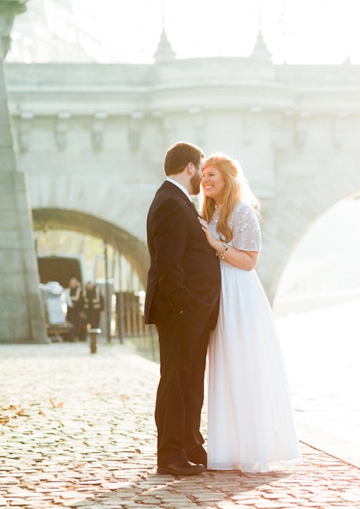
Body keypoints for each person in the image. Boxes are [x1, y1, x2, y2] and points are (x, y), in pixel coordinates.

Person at [198, 153, 302, 472]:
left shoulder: (243, 212)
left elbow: (249, 261)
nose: (205, 180)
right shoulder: (211, 211)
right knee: (225, 367)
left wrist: (216, 245)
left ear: (228, 178)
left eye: (212, 174)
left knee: (244, 365)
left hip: (240, 293)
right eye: (203, 175)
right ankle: (228, 448)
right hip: (221, 293)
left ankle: (254, 448)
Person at [145, 142, 221, 477]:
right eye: (200, 168)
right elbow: (169, 264)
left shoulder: (176, 201)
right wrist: (184, 306)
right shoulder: (172, 203)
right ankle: (171, 455)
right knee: (176, 382)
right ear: (189, 167)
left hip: (188, 312)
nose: (201, 176)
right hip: (180, 313)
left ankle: (190, 447)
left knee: (189, 382)